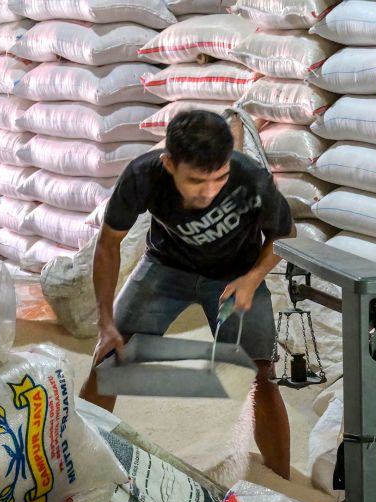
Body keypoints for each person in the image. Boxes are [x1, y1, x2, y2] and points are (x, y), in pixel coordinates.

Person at [80, 110, 295, 479]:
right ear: (168, 164)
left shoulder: (251, 179)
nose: (209, 191)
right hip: (166, 267)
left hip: (236, 272)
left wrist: (252, 279)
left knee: (260, 375)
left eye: (219, 178)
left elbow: (284, 238)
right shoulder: (142, 175)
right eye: (196, 181)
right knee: (111, 356)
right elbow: (108, 245)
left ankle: (281, 482)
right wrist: (105, 320)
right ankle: (78, 457)